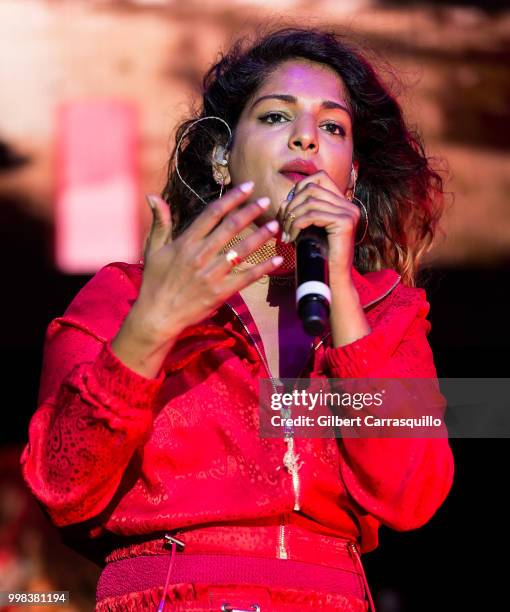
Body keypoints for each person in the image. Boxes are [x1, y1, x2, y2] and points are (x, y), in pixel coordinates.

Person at [21, 27, 454, 611]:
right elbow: (61, 486)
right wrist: (150, 327)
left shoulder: (386, 312)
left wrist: (344, 294)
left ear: (351, 174)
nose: (306, 138)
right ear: (222, 156)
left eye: (332, 127)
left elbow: (411, 493)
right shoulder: (125, 295)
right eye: (277, 118)